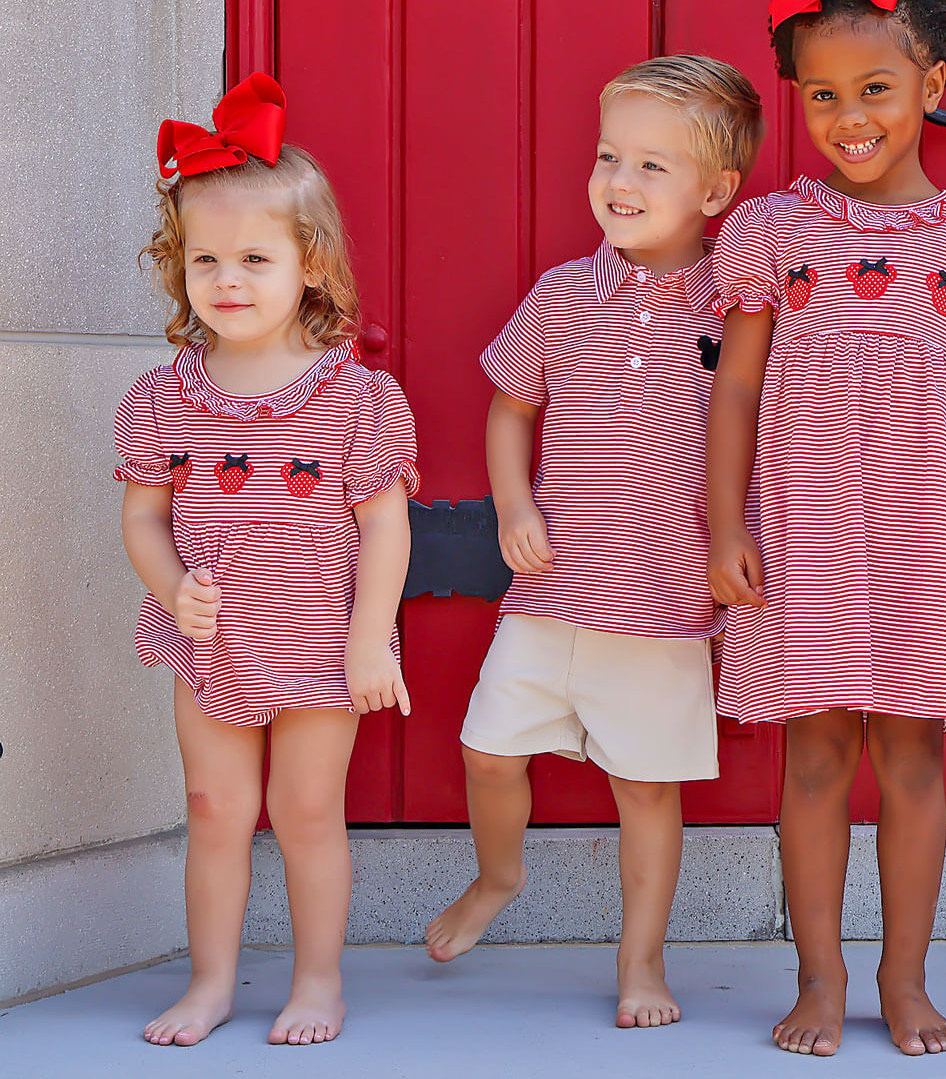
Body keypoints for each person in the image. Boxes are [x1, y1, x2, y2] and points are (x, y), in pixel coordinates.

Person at [707, 0, 946, 1058]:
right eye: (823, 96)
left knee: (911, 753)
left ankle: (904, 980)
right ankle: (817, 979)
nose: (849, 119)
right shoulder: (774, 234)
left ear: (934, 84)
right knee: (813, 755)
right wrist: (722, 524)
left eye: (875, 90)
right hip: (803, 525)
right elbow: (737, 391)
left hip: (927, 532)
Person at [425, 55, 764, 1029]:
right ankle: (498, 876)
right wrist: (513, 507)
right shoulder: (565, 295)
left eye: (653, 166)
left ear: (716, 191)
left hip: (661, 606)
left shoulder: (737, 313)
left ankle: (642, 962)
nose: (619, 180)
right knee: (487, 752)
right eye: (610, 155)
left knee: (647, 793)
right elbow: (507, 408)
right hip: (553, 591)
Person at [115, 73, 419, 1047]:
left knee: (304, 813)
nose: (227, 280)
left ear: (311, 266)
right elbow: (142, 517)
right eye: (205, 259)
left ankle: (317, 982)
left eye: (254, 256)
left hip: (321, 645)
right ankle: (209, 984)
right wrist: (173, 590)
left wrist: (373, 638)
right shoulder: (166, 398)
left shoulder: (354, 399)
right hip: (212, 645)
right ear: (180, 267)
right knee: (214, 807)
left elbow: (384, 524)